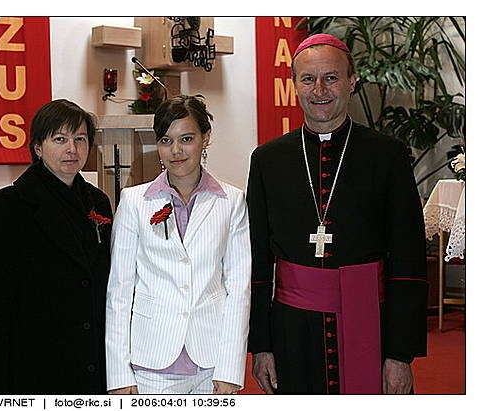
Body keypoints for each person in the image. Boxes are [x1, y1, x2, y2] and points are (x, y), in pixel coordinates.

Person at [247, 34, 428, 394]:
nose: (319, 90)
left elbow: (408, 260)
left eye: (330, 77)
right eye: (308, 79)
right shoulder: (268, 160)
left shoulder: (387, 155)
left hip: (371, 322)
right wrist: (261, 345)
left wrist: (399, 353)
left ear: (351, 81)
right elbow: (257, 261)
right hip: (292, 331)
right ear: (294, 84)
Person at [105, 95, 251, 395]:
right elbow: (119, 292)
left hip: (211, 363)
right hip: (150, 364)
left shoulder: (232, 201)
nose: (176, 151)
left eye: (186, 139)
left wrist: (230, 369)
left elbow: (239, 290)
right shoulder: (134, 202)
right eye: (166, 140)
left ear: (205, 138)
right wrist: (119, 374)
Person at [0, 99, 113, 394]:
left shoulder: (98, 201)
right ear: (38, 147)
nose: (72, 149)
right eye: (59, 139)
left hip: (90, 357)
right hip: (36, 359)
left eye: (80, 139)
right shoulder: (8, 206)